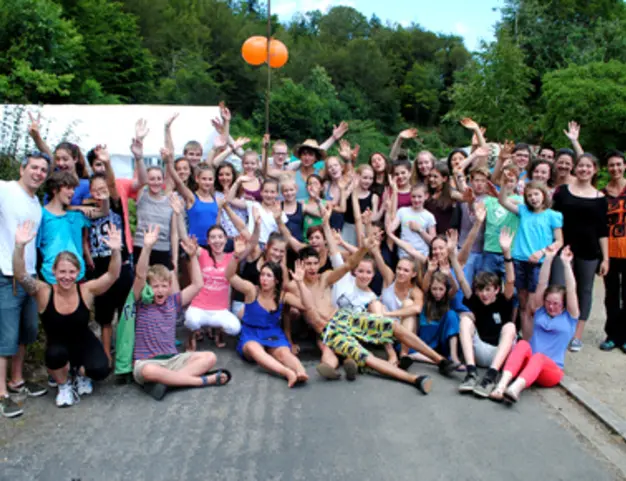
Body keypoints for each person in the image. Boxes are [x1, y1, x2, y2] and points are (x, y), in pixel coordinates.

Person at [295, 234, 458, 392]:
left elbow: (348, 265)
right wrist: (299, 282)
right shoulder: (293, 286)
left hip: (343, 316)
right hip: (329, 331)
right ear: (299, 264)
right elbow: (308, 309)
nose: (312, 268)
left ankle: (441, 360)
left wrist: (364, 247)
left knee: (391, 325)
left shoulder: (324, 278)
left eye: (315, 263)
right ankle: (414, 379)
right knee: (365, 357)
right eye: (307, 264)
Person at [13, 222, 122, 407]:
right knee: (55, 353)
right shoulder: (43, 291)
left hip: (82, 341)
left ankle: (78, 373)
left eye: (72, 272)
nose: (67, 276)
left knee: (102, 369)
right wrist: (19, 246)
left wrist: (116, 251)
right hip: (58, 345)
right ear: (53, 272)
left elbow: (112, 276)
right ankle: (64, 385)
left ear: (78, 273)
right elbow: (20, 274)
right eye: (62, 271)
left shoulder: (86, 290)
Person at [132, 225, 231, 401]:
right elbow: (140, 276)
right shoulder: (141, 302)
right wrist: (147, 248)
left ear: (170, 287)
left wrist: (193, 257)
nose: (160, 290)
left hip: (173, 361)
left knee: (209, 357)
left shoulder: (173, 302)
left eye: (164, 286)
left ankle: (166, 383)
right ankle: (201, 381)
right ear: (149, 287)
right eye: (155, 286)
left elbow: (198, 285)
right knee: (148, 371)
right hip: (147, 362)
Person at [490, 246, 578, 404]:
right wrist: (549, 258)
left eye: (556, 304)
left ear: (563, 305)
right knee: (523, 343)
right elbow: (542, 283)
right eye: (548, 302)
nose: (551, 306)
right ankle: (501, 385)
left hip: (551, 370)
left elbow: (571, 290)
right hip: (529, 364)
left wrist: (565, 264)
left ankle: (515, 389)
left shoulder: (569, 317)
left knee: (539, 357)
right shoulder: (540, 310)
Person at [0, 152, 50, 418]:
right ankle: (2, 394)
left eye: (43, 169)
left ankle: (17, 380)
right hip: (6, 275)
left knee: (25, 332)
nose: (39, 173)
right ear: (22, 168)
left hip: (28, 276)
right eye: (34, 167)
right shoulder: (5, 189)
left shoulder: (35, 204)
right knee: (5, 339)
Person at [227, 239, 312, 387]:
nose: (264, 279)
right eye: (263, 275)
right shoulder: (251, 290)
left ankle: (300, 371)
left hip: (272, 332)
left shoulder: (282, 296)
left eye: (269, 276)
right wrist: (236, 256)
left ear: (277, 281)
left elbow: (307, 306)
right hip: (250, 332)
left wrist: (300, 282)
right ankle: (287, 373)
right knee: (255, 350)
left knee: (283, 353)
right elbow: (230, 276)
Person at [552, 153, 609, 352]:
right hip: (563, 248)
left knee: (584, 290)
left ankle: (577, 334)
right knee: (558, 287)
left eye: (588, 166)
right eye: (581, 166)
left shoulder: (600, 198)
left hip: (589, 251)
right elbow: (552, 219)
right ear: (575, 169)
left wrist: (606, 258)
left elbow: (603, 230)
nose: (584, 170)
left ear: (594, 170)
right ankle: (557, 329)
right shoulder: (562, 192)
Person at [452, 229, 517, 398]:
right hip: (480, 351)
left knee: (510, 326)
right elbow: (460, 279)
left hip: (500, 354)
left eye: (488, 289)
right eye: (481, 290)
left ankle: (491, 377)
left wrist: (506, 252)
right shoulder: (475, 299)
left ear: (496, 289)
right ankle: (471, 372)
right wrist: (452, 255)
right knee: (465, 320)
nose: (484, 294)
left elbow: (510, 280)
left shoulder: (504, 300)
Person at [498, 180, 563, 340]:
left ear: (544, 195)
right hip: (519, 260)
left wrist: (542, 252)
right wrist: (504, 184)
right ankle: (524, 339)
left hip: (538, 263)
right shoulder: (524, 211)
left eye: (536, 194)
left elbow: (559, 241)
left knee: (533, 305)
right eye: (529, 195)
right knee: (522, 302)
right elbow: (503, 200)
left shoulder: (552, 215)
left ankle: (533, 339)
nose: (533, 198)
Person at [184, 225, 243, 350]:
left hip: (220, 310)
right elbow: (186, 241)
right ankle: (192, 336)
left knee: (235, 328)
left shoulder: (232, 257)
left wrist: (258, 225)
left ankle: (218, 331)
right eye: (213, 237)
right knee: (191, 321)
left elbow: (252, 242)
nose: (217, 240)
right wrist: (178, 215)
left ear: (226, 239)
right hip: (199, 307)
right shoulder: (203, 254)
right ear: (208, 241)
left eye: (220, 237)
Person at [37, 171, 96, 285]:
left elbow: (103, 211)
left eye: (73, 189)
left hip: (77, 276)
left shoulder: (76, 215)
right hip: (51, 277)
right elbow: (35, 250)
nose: (72, 192)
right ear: (55, 189)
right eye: (68, 188)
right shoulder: (41, 215)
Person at [601, 150, 626, 352]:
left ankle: (624, 336)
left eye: (618, 164)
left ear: (624, 166)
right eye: (611, 165)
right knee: (611, 294)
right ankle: (612, 334)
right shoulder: (603, 194)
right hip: (609, 252)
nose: (615, 168)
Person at [387, 183, 436, 260]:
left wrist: (420, 230)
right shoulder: (402, 211)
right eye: (413, 196)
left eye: (419, 197)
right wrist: (388, 210)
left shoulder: (429, 216)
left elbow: (433, 242)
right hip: (404, 255)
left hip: (421, 256)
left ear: (426, 196)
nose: (416, 200)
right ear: (410, 196)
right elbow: (390, 229)